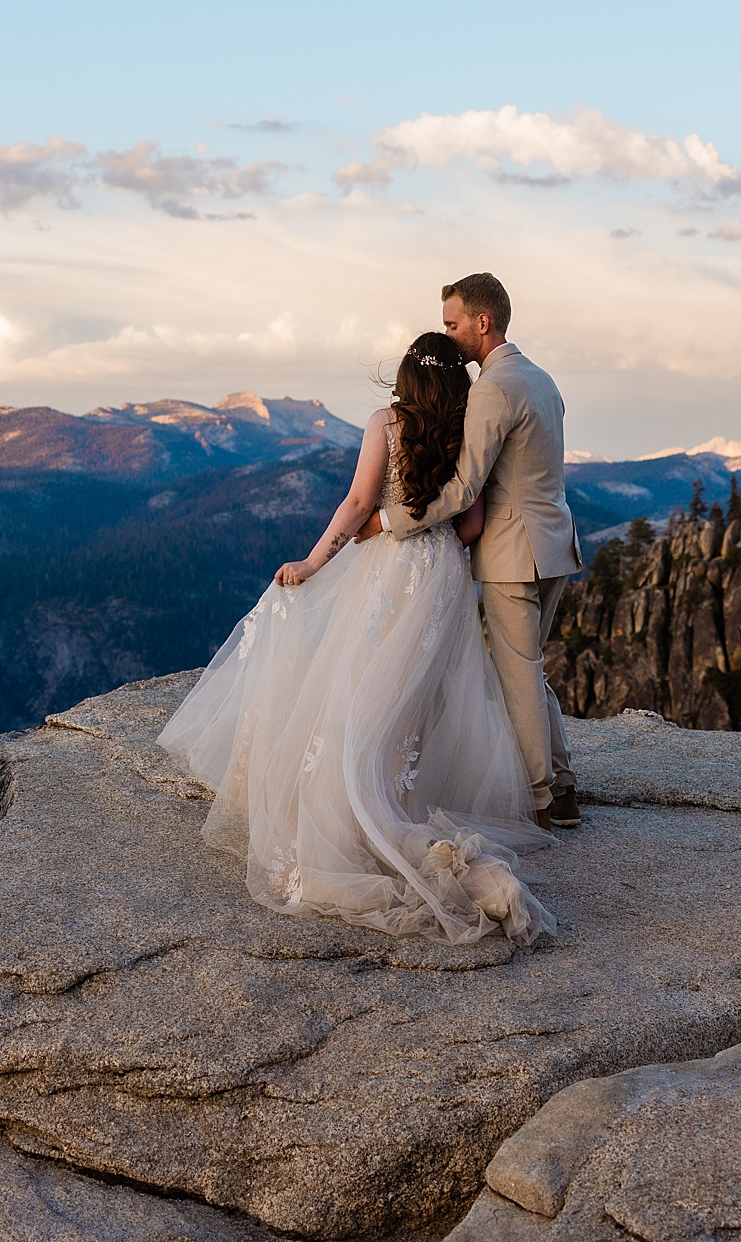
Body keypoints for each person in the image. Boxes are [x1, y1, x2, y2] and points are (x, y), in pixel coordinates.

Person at [157, 329, 556, 946]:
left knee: (360, 687)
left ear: (405, 377)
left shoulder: (385, 424)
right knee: (412, 699)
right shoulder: (467, 427)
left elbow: (356, 502)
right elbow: (472, 522)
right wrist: (438, 552)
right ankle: (400, 798)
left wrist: (314, 565)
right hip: (442, 578)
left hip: (389, 572)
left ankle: (360, 809)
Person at [370, 273, 584, 829]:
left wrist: (393, 520)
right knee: (529, 668)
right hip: (556, 541)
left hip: (516, 550)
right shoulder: (542, 379)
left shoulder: (493, 387)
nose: (450, 334)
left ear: (481, 323)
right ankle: (562, 784)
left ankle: (541, 800)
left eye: (453, 323)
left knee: (517, 674)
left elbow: (465, 489)